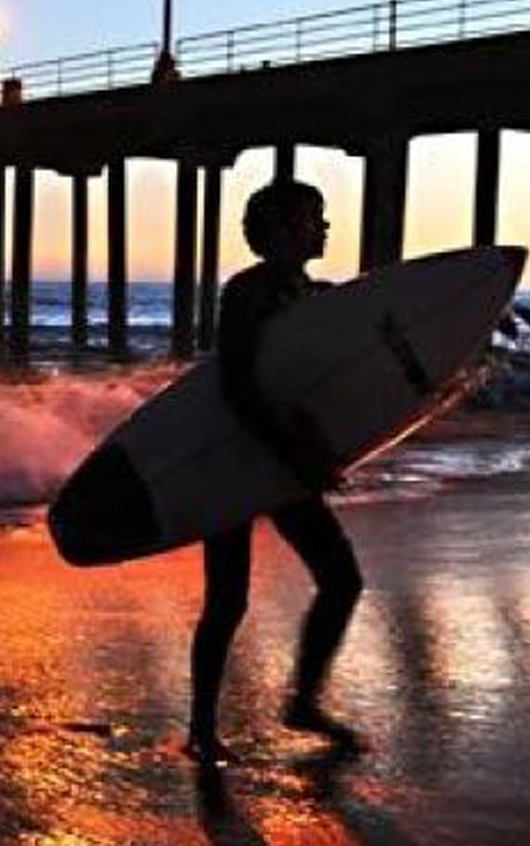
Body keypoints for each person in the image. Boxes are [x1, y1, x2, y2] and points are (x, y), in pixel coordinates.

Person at [187, 179, 364, 766]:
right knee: (228, 600)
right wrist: (297, 455)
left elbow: (379, 327)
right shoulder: (247, 293)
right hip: (236, 462)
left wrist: (484, 320)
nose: (326, 228)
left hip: (283, 462)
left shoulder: (310, 294)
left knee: (341, 579)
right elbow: (238, 387)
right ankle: (202, 728)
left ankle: (304, 703)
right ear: (286, 229)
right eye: (316, 218)